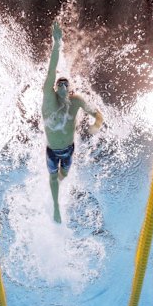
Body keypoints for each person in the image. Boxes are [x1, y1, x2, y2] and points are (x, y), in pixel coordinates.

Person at [42, 22, 104, 223]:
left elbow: (96, 113)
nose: (61, 84)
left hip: (69, 149)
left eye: (65, 83)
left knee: (63, 175)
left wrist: (96, 125)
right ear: (54, 87)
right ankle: (56, 207)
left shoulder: (75, 101)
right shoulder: (49, 99)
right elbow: (52, 70)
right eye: (58, 83)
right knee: (53, 178)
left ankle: (59, 181)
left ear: (69, 89)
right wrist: (56, 43)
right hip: (52, 150)